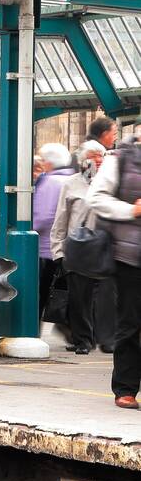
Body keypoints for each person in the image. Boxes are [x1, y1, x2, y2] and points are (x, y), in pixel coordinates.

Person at [89, 134, 141, 408]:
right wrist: (131, 210)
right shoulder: (119, 158)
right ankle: (125, 388)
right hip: (130, 255)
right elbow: (95, 198)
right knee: (130, 322)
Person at [51, 140, 106, 354]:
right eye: (93, 156)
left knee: (104, 298)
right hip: (79, 249)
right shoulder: (71, 184)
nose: (98, 160)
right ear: (83, 161)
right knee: (79, 298)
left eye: (101, 156)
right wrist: (58, 251)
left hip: (105, 249)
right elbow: (61, 219)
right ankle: (83, 340)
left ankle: (103, 338)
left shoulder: (112, 183)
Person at [33, 143, 76, 319]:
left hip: (45, 248)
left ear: (49, 162)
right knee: (63, 291)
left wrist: (28, 228)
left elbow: (43, 217)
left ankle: (32, 330)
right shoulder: (72, 178)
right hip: (68, 247)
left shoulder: (50, 181)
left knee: (41, 295)